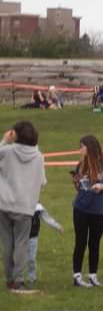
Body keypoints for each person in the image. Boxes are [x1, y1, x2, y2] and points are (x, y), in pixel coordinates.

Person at [0, 121, 47, 294]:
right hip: (25, 206)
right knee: (21, 243)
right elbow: (42, 182)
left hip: (4, 204)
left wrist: (4, 141)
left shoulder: (7, 151)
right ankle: (18, 280)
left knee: (7, 244)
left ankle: (9, 278)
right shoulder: (39, 157)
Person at [71, 135, 103, 288]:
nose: (80, 150)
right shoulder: (81, 165)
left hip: (99, 210)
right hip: (81, 208)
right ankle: (77, 275)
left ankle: (92, 275)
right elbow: (80, 187)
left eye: (82, 147)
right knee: (80, 241)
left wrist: (101, 187)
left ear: (90, 147)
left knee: (94, 243)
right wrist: (76, 182)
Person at [26, 204, 62, 284]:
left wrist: (57, 226)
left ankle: (32, 278)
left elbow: (47, 218)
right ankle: (16, 278)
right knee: (18, 258)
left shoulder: (37, 207)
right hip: (20, 237)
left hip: (33, 237)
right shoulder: (19, 204)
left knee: (31, 259)